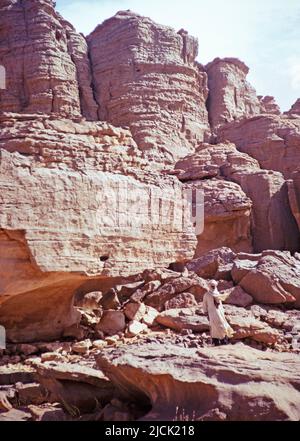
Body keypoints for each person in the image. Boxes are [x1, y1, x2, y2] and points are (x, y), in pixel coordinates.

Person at [203, 280, 234, 346]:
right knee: (214, 327)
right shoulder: (207, 295)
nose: (213, 287)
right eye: (212, 286)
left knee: (222, 325)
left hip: (219, 313)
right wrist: (206, 312)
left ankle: (224, 341)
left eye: (214, 286)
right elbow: (204, 305)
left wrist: (223, 312)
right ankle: (216, 342)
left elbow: (220, 305)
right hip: (212, 313)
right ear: (209, 286)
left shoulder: (217, 293)